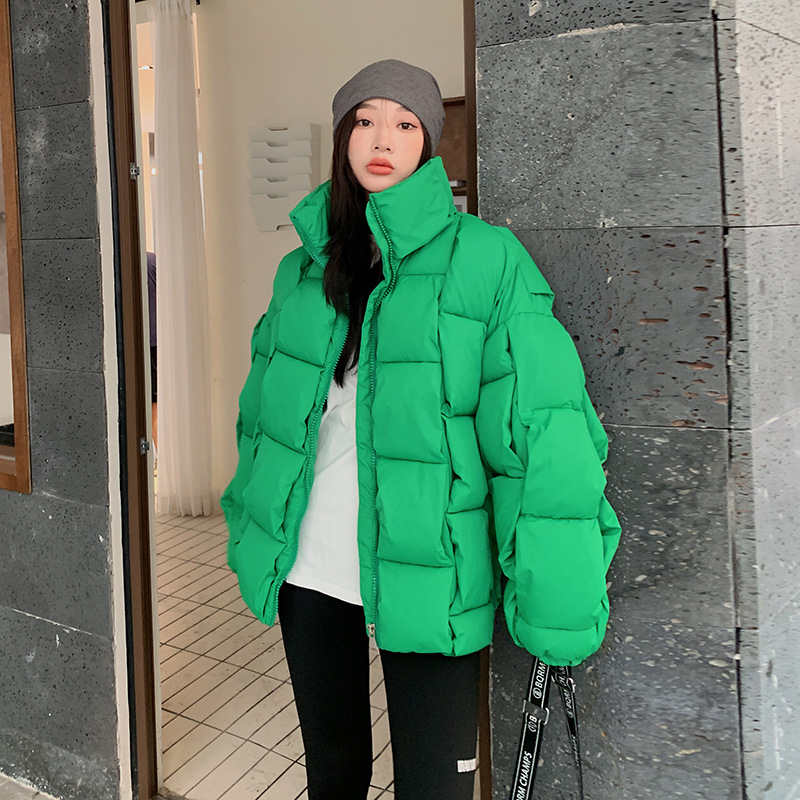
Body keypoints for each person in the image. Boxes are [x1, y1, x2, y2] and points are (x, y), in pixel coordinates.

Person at [221, 59, 621, 800]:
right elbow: (262, 420)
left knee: (435, 787)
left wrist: (558, 595)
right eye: (365, 121)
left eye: (406, 124)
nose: (383, 139)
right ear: (342, 138)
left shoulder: (487, 259)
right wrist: (252, 523)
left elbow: (545, 432)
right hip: (311, 567)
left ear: (429, 144)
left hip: (434, 570)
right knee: (333, 773)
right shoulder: (302, 270)